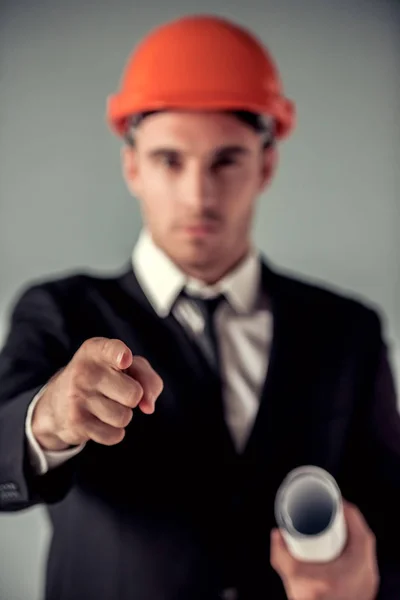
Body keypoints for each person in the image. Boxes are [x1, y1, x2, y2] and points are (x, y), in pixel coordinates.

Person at [0, 13, 399, 600]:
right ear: (132, 166)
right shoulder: (59, 311)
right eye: (169, 160)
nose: (198, 194)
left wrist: (371, 584)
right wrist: (51, 417)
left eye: (226, 160)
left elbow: (391, 519)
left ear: (266, 164)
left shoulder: (347, 332)